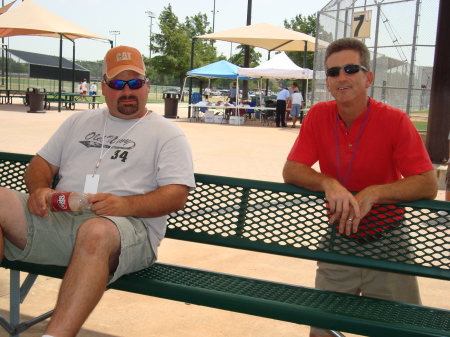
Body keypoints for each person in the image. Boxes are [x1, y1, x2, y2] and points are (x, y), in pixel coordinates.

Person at [0, 45, 195, 337]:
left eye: (135, 82)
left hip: (127, 231)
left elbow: (177, 195)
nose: (127, 91)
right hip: (61, 217)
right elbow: (41, 163)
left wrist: (125, 206)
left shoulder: (167, 134)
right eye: (117, 83)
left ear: (147, 85)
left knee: (96, 232)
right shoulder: (79, 121)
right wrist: (40, 188)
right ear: (103, 87)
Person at [282, 38, 437, 337]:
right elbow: (292, 169)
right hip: (338, 238)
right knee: (322, 330)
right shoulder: (317, 116)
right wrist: (328, 182)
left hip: (388, 242)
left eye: (351, 69)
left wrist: (374, 192)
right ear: (327, 82)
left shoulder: (395, 120)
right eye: (333, 71)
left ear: (368, 78)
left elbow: (427, 183)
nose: (342, 77)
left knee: (406, 330)